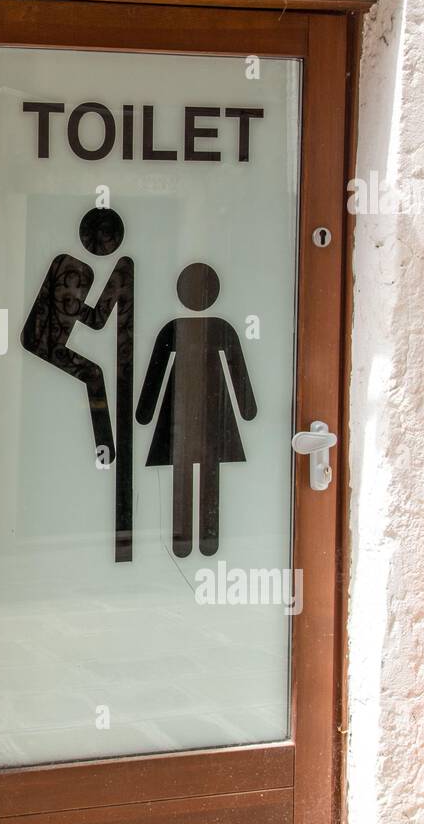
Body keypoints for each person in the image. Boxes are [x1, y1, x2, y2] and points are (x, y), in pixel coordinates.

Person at [20, 207, 134, 561]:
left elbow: (88, 317)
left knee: (95, 374)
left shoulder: (72, 268)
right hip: (44, 344)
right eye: (103, 241)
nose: (104, 247)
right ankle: (105, 448)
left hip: (49, 342)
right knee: (95, 374)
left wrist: (118, 282)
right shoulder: (73, 269)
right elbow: (91, 319)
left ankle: (104, 450)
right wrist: (117, 280)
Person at [136, 263, 256, 557]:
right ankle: (202, 539)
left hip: (188, 412)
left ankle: (190, 541)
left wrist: (145, 411)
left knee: (188, 473)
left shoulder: (182, 327)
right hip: (206, 413)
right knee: (200, 474)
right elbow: (237, 373)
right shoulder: (216, 327)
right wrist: (246, 408)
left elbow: (156, 373)